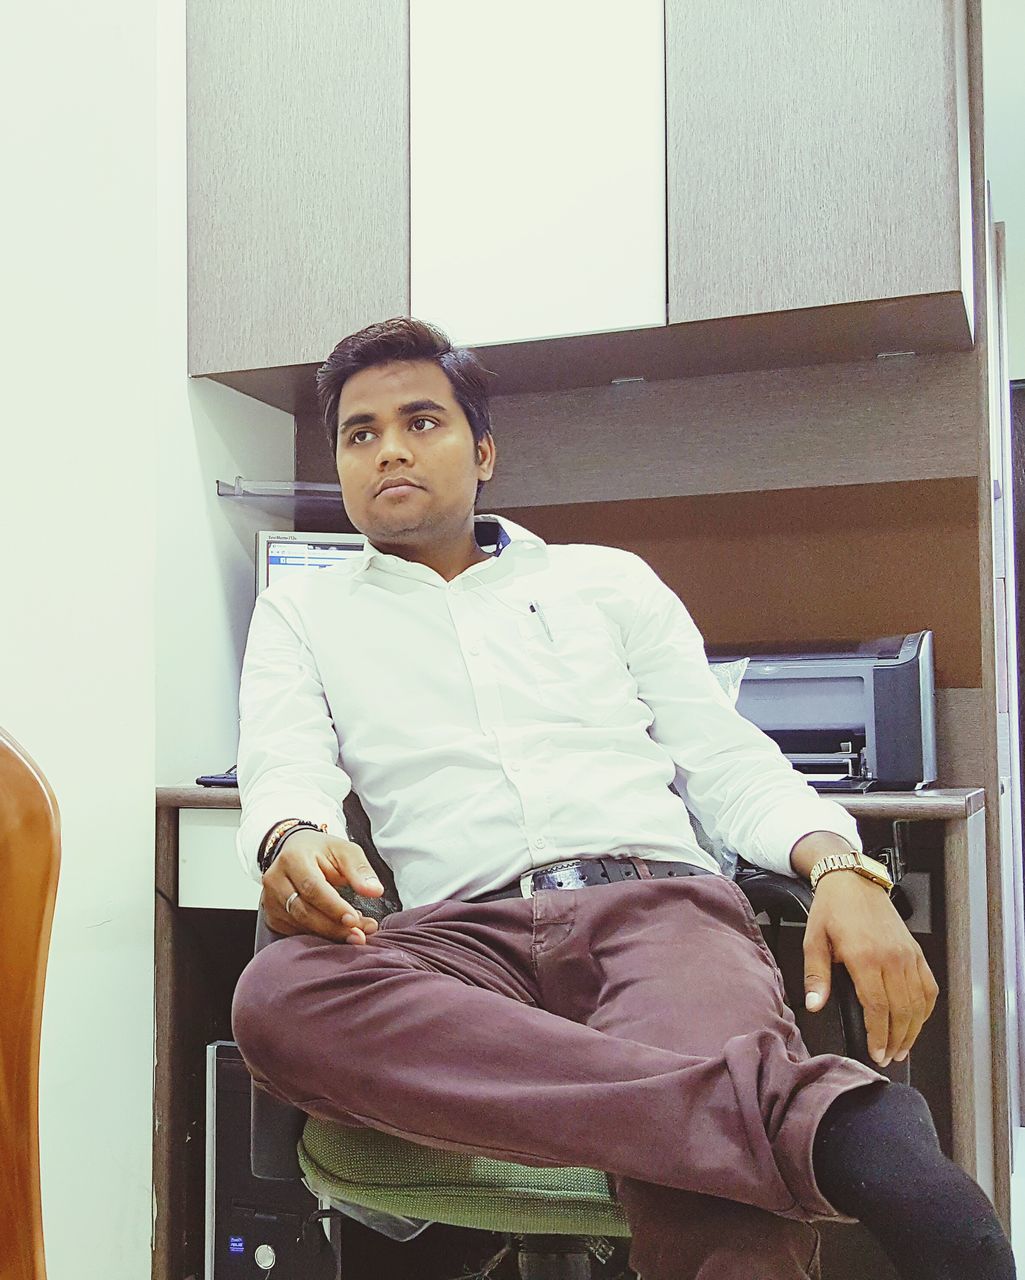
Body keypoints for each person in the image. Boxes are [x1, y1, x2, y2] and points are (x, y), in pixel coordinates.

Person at [231, 317, 1014, 1280]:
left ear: (481, 451)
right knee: (278, 998)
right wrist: (291, 834)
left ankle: (745, 1120)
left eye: (420, 420)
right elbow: (283, 759)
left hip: (657, 909)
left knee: (708, 1206)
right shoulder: (305, 610)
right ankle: (824, 1127)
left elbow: (725, 759)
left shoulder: (604, 582)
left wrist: (841, 864)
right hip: (460, 940)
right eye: (360, 433)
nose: (388, 446)